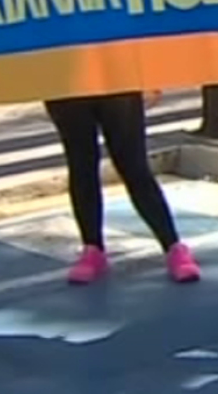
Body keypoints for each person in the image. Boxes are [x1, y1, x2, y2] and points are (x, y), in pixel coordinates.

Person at [49, 89, 199, 285]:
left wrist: (148, 81)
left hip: (115, 85)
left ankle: (172, 245)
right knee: (81, 165)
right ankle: (92, 247)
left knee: (133, 165)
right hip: (66, 88)